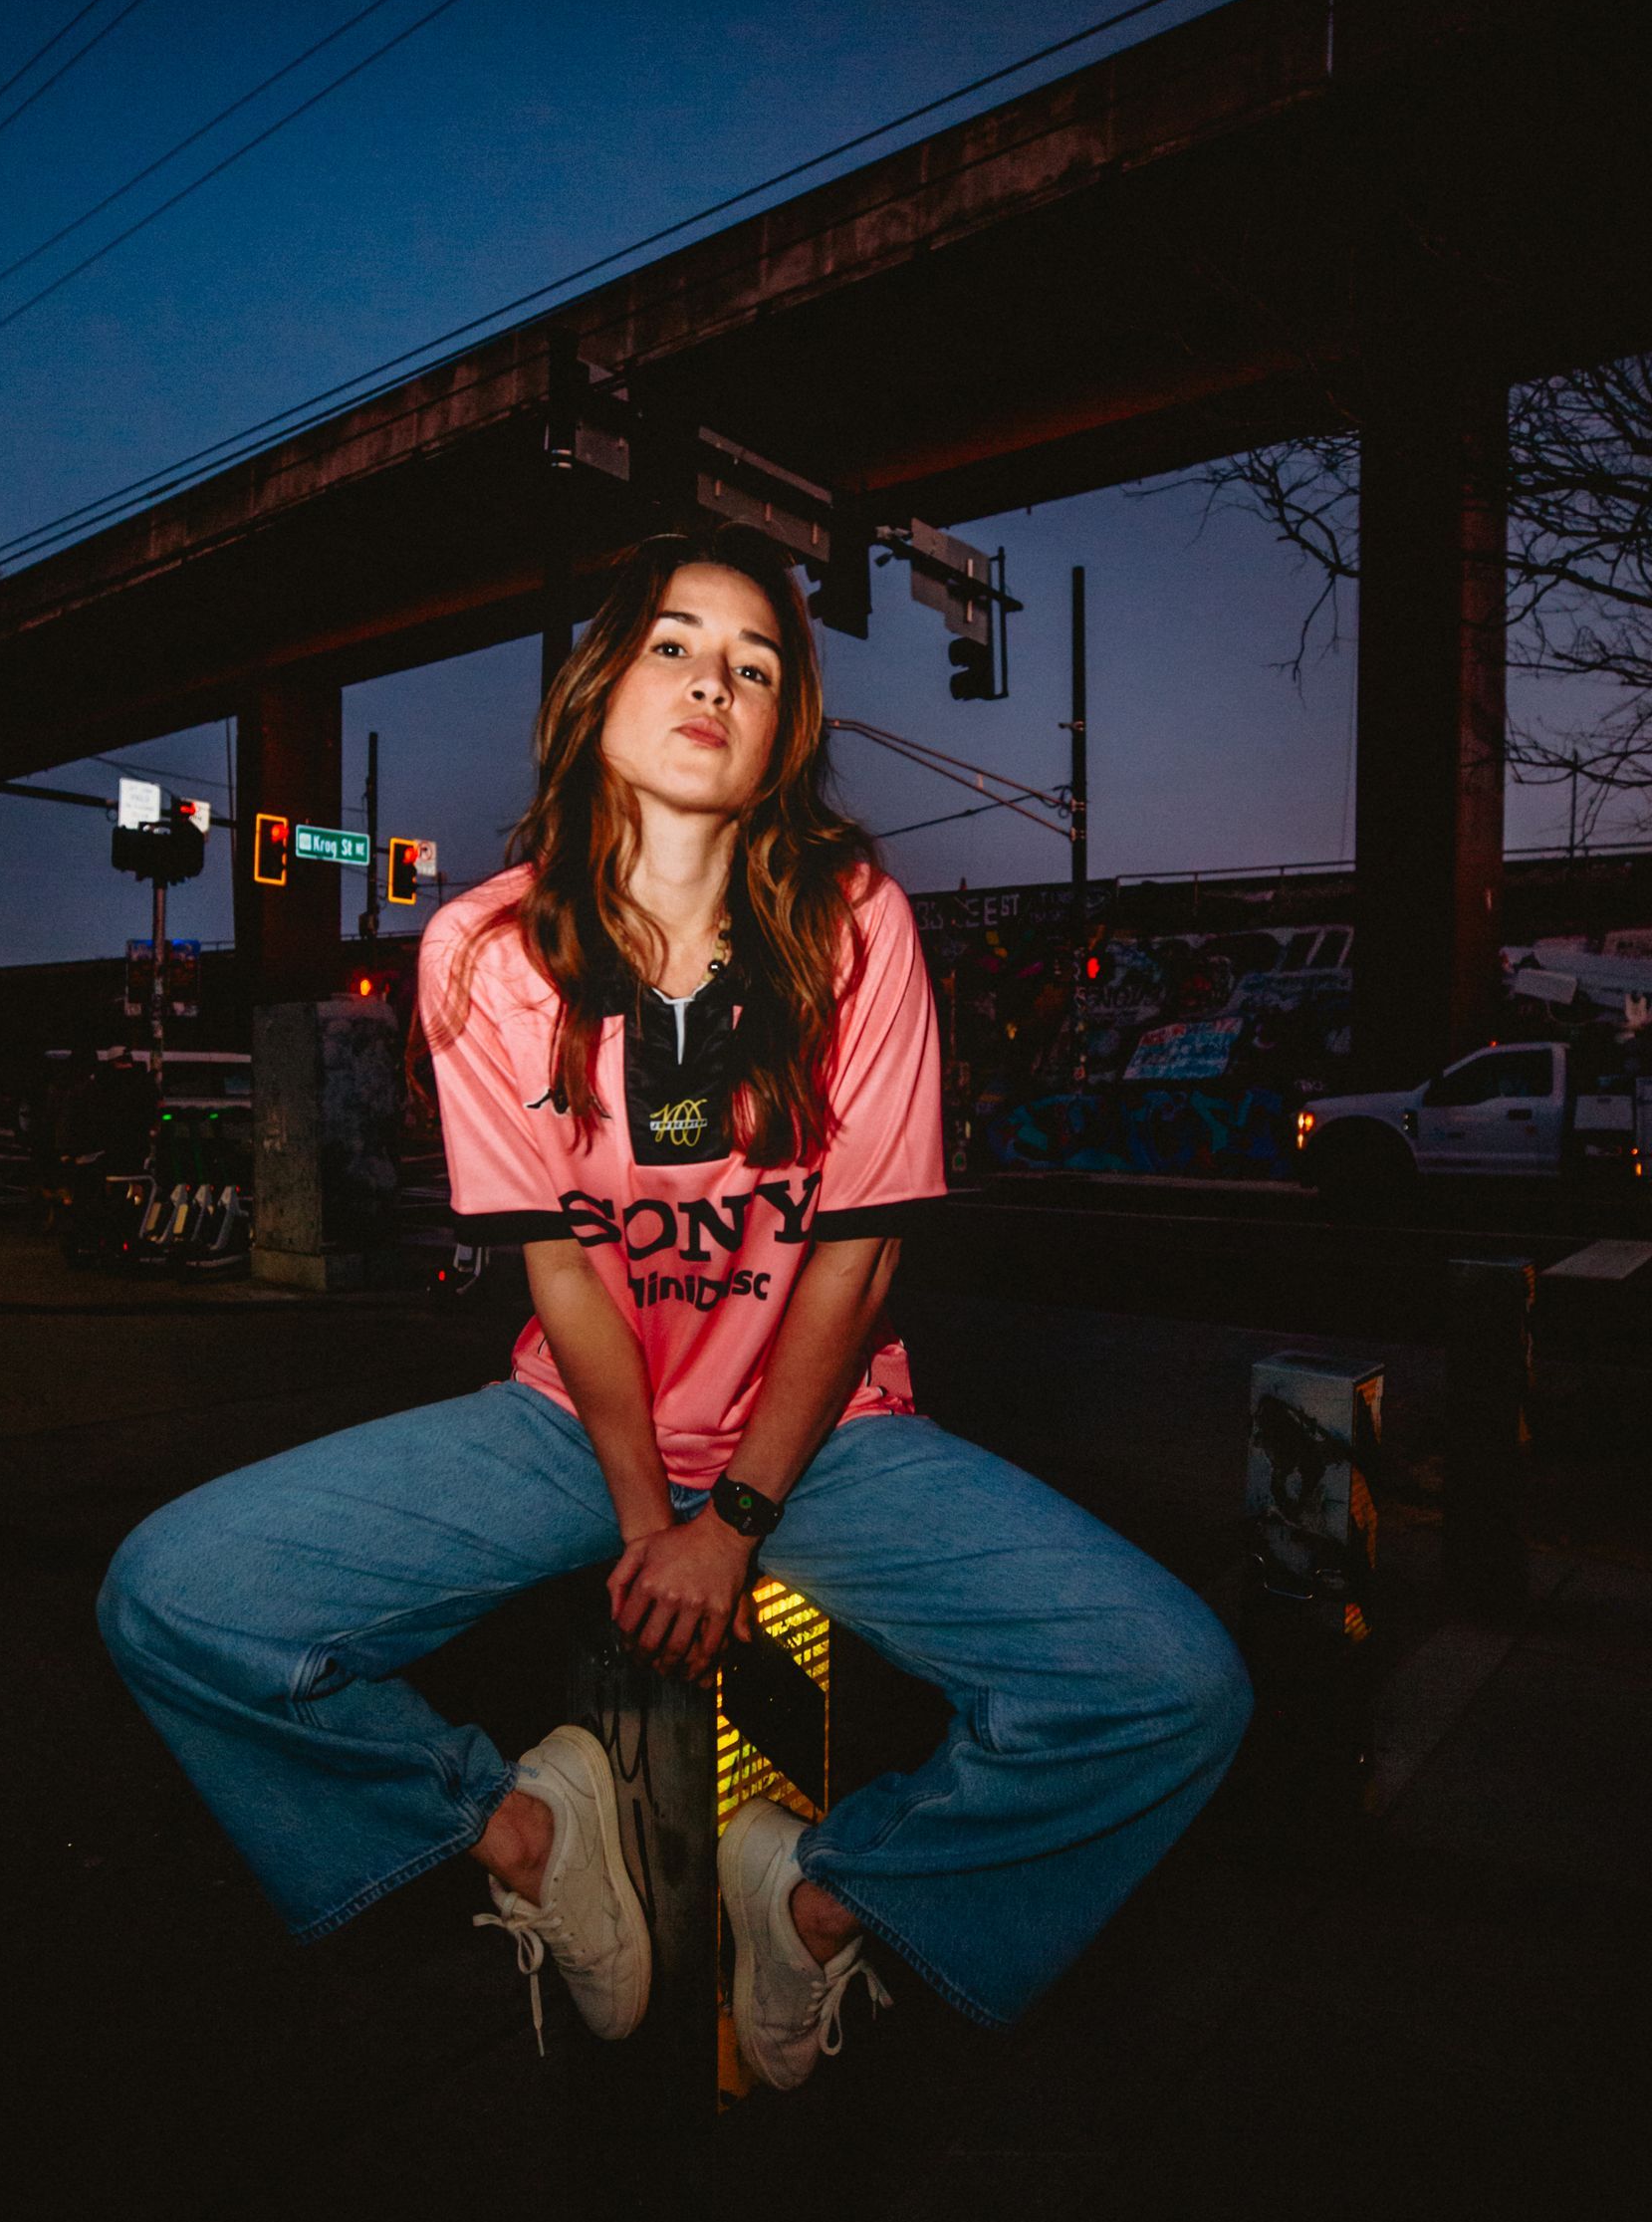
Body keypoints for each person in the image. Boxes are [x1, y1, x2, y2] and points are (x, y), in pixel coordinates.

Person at [98, 524, 1252, 2088]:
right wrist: (653, 1517)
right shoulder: (485, 949)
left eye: (756, 666)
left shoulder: (855, 923)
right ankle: (522, 1832)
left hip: (827, 1431)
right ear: (598, 690)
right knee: (178, 1595)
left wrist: (738, 1517)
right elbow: (561, 1263)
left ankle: (828, 1901)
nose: (716, 678)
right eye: (675, 644)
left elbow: (854, 1253)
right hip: (575, 1425)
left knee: (1169, 1689)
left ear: (785, 734)